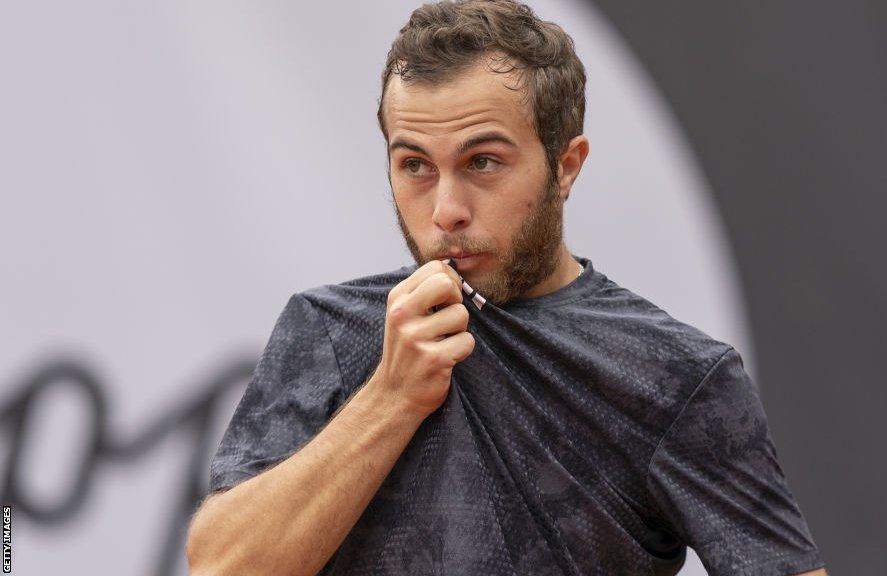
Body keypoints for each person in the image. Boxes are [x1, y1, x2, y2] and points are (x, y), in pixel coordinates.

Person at [185, 1, 828, 575]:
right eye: (414, 165)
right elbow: (221, 568)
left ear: (566, 165)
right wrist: (390, 398)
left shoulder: (679, 376)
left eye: (482, 162)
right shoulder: (326, 328)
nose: (445, 211)